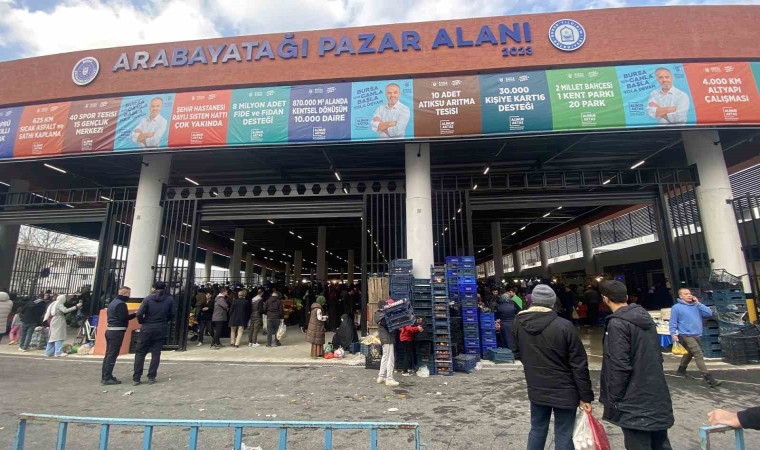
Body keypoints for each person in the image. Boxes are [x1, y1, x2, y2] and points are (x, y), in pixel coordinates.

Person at [513, 284, 594, 450]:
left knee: (537, 429)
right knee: (564, 433)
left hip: (536, 387)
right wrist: (585, 396)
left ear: (533, 301)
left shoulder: (518, 322)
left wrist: (533, 366)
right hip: (565, 390)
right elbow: (579, 364)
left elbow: (516, 352)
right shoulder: (564, 325)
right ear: (553, 302)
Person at [599, 280, 674, 450]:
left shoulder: (617, 323)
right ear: (626, 297)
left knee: (638, 443)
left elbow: (619, 365)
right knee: (660, 443)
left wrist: (614, 398)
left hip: (633, 399)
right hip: (655, 392)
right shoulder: (644, 317)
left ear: (605, 299)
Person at [669, 288, 722, 388]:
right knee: (698, 354)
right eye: (686, 294)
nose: (689, 295)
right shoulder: (676, 308)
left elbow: (709, 313)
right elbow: (673, 321)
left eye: (689, 293)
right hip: (686, 334)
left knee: (689, 353)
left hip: (697, 334)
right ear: (680, 296)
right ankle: (708, 378)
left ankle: (681, 370)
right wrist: (673, 333)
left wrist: (698, 303)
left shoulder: (696, 306)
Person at [132, 281, 175, 386]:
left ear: (154, 288)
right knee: (156, 353)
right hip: (160, 328)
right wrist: (165, 320)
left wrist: (142, 322)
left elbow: (139, 313)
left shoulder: (147, 299)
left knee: (140, 353)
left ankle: (136, 377)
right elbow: (173, 313)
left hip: (147, 328)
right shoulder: (169, 299)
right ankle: (151, 376)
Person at [101, 286, 136, 385]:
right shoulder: (121, 304)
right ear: (125, 293)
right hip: (117, 331)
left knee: (108, 354)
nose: (129, 296)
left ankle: (105, 375)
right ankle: (107, 377)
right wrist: (135, 314)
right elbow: (123, 318)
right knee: (112, 355)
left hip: (110, 330)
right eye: (128, 294)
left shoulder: (113, 302)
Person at [374, 299, 400, 387]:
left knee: (385, 357)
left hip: (384, 339)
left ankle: (381, 377)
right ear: (383, 306)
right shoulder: (383, 316)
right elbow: (388, 325)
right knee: (390, 358)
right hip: (388, 339)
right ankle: (389, 378)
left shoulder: (378, 314)